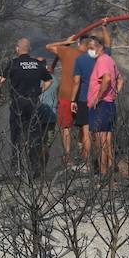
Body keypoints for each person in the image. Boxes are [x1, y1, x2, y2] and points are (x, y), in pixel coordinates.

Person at [0, 37, 52, 176]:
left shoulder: (13, 64)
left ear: (17, 48)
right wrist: (40, 91)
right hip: (33, 103)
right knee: (34, 135)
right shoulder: (37, 64)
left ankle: (16, 167)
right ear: (30, 49)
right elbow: (49, 80)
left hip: (18, 103)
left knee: (16, 134)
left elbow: (0, 80)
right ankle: (35, 167)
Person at [45, 33, 89, 169]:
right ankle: (85, 158)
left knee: (66, 128)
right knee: (85, 128)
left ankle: (68, 157)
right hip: (84, 97)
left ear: (78, 42)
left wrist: (66, 41)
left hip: (66, 96)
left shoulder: (68, 51)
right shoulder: (92, 57)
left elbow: (48, 46)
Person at [71, 26, 110, 172]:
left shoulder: (80, 60)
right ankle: (104, 164)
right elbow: (109, 43)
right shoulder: (104, 56)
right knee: (102, 134)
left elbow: (76, 81)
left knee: (86, 132)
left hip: (83, 99)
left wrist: (72, 100)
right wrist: (105, 27)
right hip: (101, 100)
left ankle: (87, 164)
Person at [86, 30, 122, 177]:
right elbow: (120, 79)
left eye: (91, 47)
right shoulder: (110, 60)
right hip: (109, 104)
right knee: (107, 142)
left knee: (101, 143)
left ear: (99, 47)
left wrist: (99, 98)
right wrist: (114, 94)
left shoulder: (102, 60)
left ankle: (103, 174)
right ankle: (108, 175)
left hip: (101, 106)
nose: (89, 50)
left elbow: (107, 79)